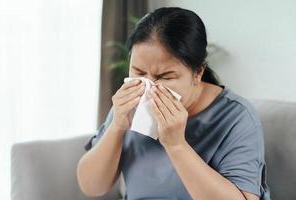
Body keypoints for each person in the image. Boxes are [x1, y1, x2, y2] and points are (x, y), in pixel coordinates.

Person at [77, 7, 271, 200]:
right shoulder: (129, 102)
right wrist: (117, 127)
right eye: (139, 72)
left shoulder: (236, 118)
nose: (150, 86)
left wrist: (176, 145)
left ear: (198, 73)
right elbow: (92, 186)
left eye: (165, 76)